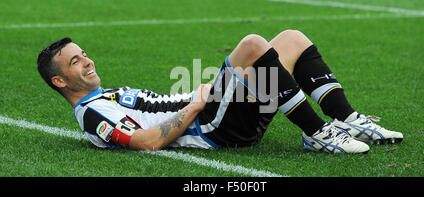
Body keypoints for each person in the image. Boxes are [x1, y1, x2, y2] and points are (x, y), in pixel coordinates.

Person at [36, 30, 403, 154]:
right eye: (74, 62)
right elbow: (145, 141)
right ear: (60, 82)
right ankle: (318, 133)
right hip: (210, 128)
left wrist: (204, 94)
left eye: (83, 54)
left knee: (290, 39)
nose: (86, 61)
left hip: (212, 112)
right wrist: (197, 104)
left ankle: (347, 119)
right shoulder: (91, 112)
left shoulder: (105, 96)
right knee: (251, 46)